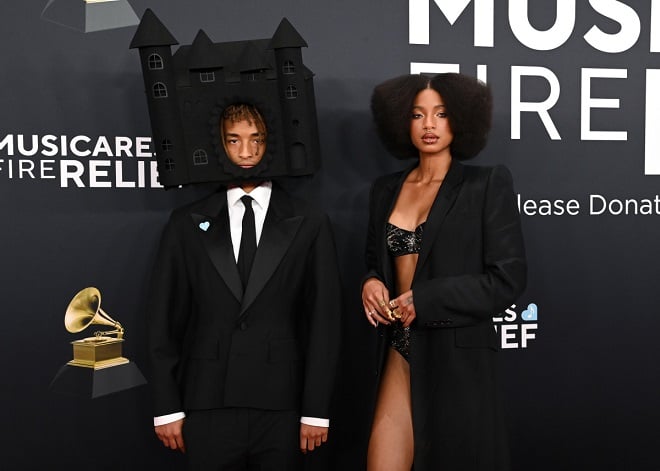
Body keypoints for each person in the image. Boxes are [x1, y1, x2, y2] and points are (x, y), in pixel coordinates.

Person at [148, 103, 341, 470]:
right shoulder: (186, 223)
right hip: (205, 403)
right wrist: (166, 407)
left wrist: (316, 412)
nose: (247, 152)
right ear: (218, 144)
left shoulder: (310, 222)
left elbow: (325, 322)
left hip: (283, 406)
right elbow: (163, 321)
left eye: (257, 139)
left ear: (275, 144)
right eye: (233, 140)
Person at [361, 73, 527, 470]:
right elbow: (374, 259)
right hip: (397, 348)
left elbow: (508, 278)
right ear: (403, 121)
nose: (429, 125)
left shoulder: (485, 184)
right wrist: (370, 282)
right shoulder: (385, 189)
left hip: (457, 360)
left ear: (461, 120)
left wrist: (428, 299)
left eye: (441, 114)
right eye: (418, 115)